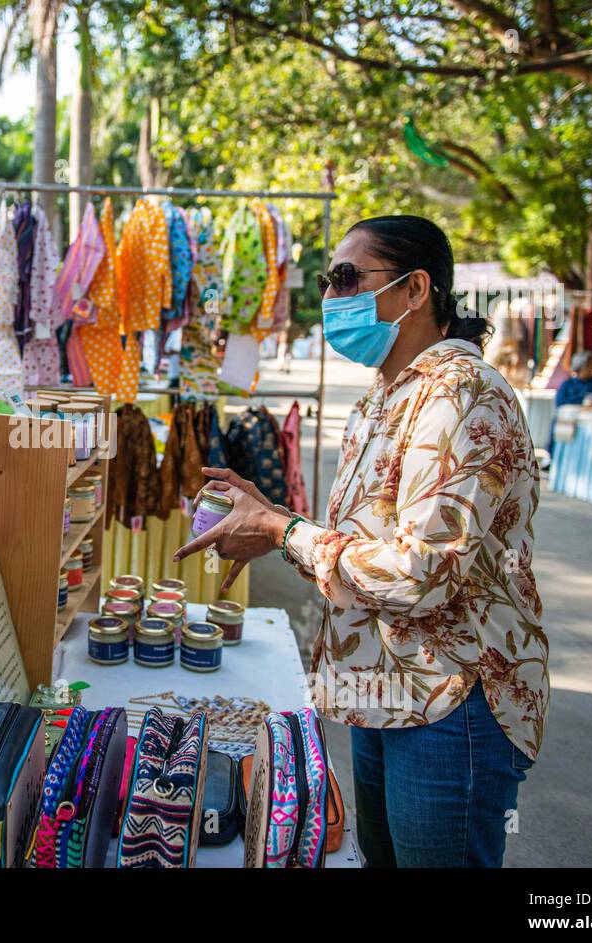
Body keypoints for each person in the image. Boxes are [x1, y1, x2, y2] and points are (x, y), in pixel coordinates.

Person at [176, 215, 548, 868]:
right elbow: (360, 546)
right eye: (326, 280)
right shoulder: (387, 396)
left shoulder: (460, 395)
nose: (331, 296)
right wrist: (277, 528)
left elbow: (418, 573)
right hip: (388, 690)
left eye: (348, 278)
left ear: (414, 290)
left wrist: (282, 529)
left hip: (451, 699)